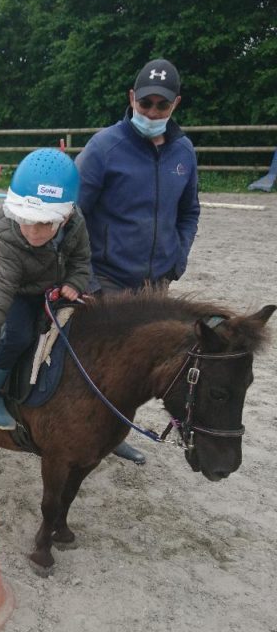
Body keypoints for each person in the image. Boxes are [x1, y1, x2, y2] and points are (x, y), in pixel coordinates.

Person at [74, 57, 201, 463]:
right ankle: (94, 432)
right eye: (145, 103)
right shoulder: (103, 148)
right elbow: (73, 214)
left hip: (157, 281)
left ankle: (115, 433)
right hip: (108, 278)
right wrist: (88, 278)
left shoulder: (184, 152)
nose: (152, 112)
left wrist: (178, 257)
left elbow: (189, 211)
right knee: (108, 366)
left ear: (175, 104)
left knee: (141, 368)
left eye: (161, 105)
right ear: (132, 98)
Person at [0, 148, 94, 430]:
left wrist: (74, 283)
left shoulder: (77, 225)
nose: (32, 231)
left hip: (57, 290)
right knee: (18, 335)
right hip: (21, 291)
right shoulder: (12, 239)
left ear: (66, 217)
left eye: (43, 223)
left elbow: (82, 261)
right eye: (25, 220)